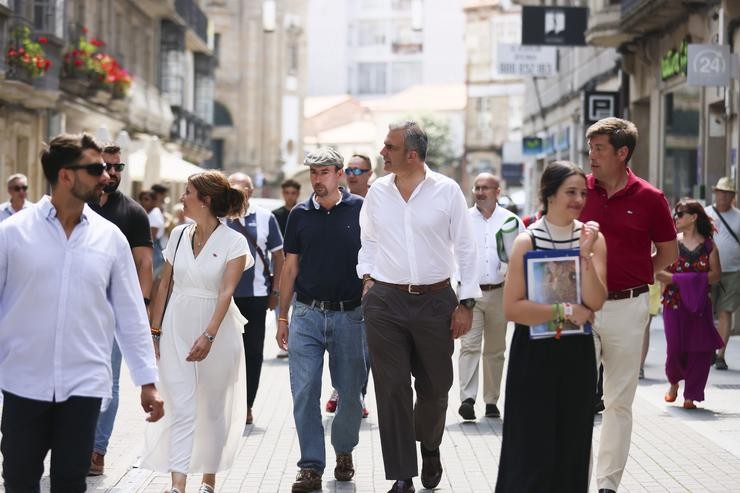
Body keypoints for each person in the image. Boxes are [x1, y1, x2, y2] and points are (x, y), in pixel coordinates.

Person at [0, 132, 163, 492]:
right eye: (95, 168)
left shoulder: (110, 238)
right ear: (66, 175)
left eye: (106, 168)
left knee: (71, 483)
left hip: (85, 385)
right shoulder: (11, 235)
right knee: (20, 482)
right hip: (23, 383)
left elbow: (130, 311)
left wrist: (147, 382)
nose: (105, 176)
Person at [358, 121, 480, 493]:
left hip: (436, 300)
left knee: (436, 387)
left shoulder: (446, 191)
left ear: (411, 153)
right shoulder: (378, 192)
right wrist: (367, 279)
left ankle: (429, 446)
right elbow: (369, 239)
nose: (382, 153)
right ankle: (402, 475)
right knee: (391, 388)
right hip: (386, 302)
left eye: (389, 147)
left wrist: (467, 302)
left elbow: (465, 247)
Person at [495, 160, 607, 493]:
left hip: (577, 353)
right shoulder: (527, 241)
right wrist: (564, 309)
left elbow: (596, 300)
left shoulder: (592, 238)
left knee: (572, 441)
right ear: (549, 193)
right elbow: (512, 308)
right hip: (534, 354)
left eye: (583, 193)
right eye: (570, 192)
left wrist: (584, 255)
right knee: (530, 444)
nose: (578, 199)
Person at [580, 117, 677, 493]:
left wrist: (638, 275)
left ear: (623, 153)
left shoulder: (650, 198)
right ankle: (576, 479)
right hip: (582, 309)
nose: (591, 156)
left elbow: (667, 252)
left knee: (619, 402)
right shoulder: (576, 191)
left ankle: (606, 486)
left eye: (599, 149)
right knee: (576, 400)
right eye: (590, 148)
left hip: (628, 308)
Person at [141, 171, 253, 493]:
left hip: (217, 330)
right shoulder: (177, 234)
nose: (181, 197)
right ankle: (178, 485)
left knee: (212, 407)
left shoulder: (234, 242)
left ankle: (209, 479)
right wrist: (155, 331)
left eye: (187, 192)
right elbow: (165, 284)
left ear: (204, 200)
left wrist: (209, 335)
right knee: (181, 404)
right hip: (176, 324)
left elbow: (226, 292)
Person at [276, 147, 367, 493]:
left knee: (350, 395)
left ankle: (344, 449)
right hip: (307, 315)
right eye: (313, 173)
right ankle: (311, 465)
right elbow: (290, 268)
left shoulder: (361, 210)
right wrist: (282, 316)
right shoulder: (299, 215)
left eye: (325, 172)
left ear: (340, 173)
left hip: (351, 316)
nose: (318, 179)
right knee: (304, 392)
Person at [88, 144, 154, 476]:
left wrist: (139, 308)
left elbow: (144, 263)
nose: (112, 173)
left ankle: (97, 450)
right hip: (79, 310)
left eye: (119, 167)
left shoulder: (132, 212)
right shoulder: (77, 205)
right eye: (107, 166)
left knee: (109, 382)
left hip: (114, 312)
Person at [458, 173, 524, 421]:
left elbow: (522, 256)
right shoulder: (463, 219)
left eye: (485, 188)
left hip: (500, 293)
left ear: (498, 191)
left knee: (495, 350)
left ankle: (491, 401)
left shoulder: (512, 221)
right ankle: (467, 398)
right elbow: (453, 253)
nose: (480, 192)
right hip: (470, 293)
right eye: (477, 187)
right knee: (469, 345)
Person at [227, 172, 285, 426]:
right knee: (225, 354)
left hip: (256, 297)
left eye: (243, 189)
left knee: (253, 353)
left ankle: (247, 405)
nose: (239, 193)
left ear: (251, 191)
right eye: (233, 189)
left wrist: (276, 291)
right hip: (224, 298)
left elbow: (279, 257)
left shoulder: (265, 217)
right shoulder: (218, 217)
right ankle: (226, 405)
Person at [657, 199, 724, 409]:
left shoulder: (709, 246)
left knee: (699, 350)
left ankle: (692, 395)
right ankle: (674, 382)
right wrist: (675, 280)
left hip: (699, 306)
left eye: (680, 214)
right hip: (674, 303)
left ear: (693, 217)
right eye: (675, 214)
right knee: (675, 348)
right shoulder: (671, 243)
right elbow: (658, 272)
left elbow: (716, 275)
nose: (676, 218)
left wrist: (679, 279)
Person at [326, 152, 374, 416]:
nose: (353, 175)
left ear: (369, 174)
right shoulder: (336, 201)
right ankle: (344, 389)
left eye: (359, 171)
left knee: (363, 346)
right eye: (350, 170)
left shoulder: (378, 201)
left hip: (371, 284)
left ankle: (354, 394)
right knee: (340, 346)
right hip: (339, 284)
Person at [705, 177, 740, 370]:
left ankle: (721, 354)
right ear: (715, 193)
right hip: (709, 272)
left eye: (728, 193)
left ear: (733, 196)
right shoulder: (706, 214)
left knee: (726, 312)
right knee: (707, 313)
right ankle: (709, 347)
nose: (724, 196)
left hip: (732, 272)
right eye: (721, 192)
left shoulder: (738, 217)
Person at [272, 178, 301, 359]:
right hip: (281, 265)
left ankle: (296, 344)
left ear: (297, 194)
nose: (290, 196)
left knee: (298, 307)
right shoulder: (276, 215)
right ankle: (284, 344)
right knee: (281, 307)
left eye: (293, 193)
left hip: (300, 265)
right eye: (287, 192)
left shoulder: (303, 212)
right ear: (283, 193)